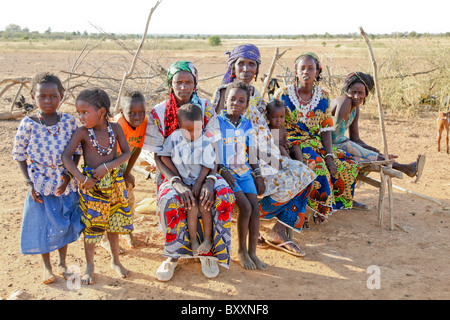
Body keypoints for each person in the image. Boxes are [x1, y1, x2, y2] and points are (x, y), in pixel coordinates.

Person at [213, 44, 316, 257]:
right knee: (287, 180)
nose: (247, 68)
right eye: (241, 63)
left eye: (252, 64)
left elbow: (267, 126)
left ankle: (278, 230)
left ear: (258, 68)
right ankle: (252, 217)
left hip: (268, 154)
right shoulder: (226, 93)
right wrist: (258, 164)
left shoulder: (255, 92)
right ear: (233, 65)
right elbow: (222, 134)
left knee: (306, 174)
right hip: (245, 160)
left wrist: (281, 150)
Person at [143, 60, 234, 281]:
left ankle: (209, 251)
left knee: (223, 196)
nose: (183, 87)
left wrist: (210, 181)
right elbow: (159, 155)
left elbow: (213, 147)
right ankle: (173, 254)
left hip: (206, 171)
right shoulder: (158, 112)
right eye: (178, 82)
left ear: (195, 84)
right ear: (170, 84)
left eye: (188, 82)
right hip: (172, 173)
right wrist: (176, 182)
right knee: (170, 200)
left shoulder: (206, 107)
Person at [12, 72, 84, 284]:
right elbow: (19, 155)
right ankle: (47, 267)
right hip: (40, 184)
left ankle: (62, 263)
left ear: (61, 95)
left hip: (65, 184)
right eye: (42, 96)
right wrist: (29, 183)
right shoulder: (28, 123)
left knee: (63, 223)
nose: (48, 100)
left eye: (53, 96)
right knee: (44, 225)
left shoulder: (69, 122)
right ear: (34, 97)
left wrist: (68, 176)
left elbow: (77, 150)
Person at [274, 52, 362, 222]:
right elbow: (273, 123)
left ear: (317, 72)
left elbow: (326, 129)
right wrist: (280, 147)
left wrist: (329, 155)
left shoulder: (323, 96)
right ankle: (313, 210)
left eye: (311, 68)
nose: (306, 72)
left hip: (315, 143)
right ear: (296, 71)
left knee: (349, 164)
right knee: (318, 167)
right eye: (302, 68)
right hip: (291, 144)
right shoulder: (282, 94)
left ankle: (325, 208)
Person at [62, 87, 133, 285]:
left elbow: (126, 154)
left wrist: (107, 166)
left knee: (114, 223)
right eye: (79, 113)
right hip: (92, 187)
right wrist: (81, 179)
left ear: (101, 111)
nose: (81, 117)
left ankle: (115, 261)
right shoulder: (82, 132)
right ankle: (89, 266)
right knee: (92, 227)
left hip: (114, 185)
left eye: (85, 112)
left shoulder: (116, 129)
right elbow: (66, 157)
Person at [330, 72, 425, 182]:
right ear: (347, 91)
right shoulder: (345, 101)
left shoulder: (355, 108)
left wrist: (374, 151)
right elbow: (336, 138)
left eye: (361, 93)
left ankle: (402, 167)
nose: (357, 96)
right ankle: (403, 168)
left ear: (366, 94)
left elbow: (355, 138)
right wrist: (370, 152)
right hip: (327, 143)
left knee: (371, 152)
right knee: (366, 153)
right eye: (353, 92)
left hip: (338, 142)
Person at [217, 82, 267, 270]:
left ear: (246, 105)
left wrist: (258, 175)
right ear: (225, 101)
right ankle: (240, 251)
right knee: (245, 207)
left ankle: (252, 252)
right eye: (232, 99)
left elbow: (251, 152)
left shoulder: (247, 124)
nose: (236, 103)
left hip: (244, 171)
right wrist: (222, 169)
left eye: (241, 101)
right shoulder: (217, 122)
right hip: (226, 172)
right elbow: (212, 151)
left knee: (255, 208)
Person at [158, 103, 216, 256]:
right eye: (188, 130)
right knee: (192, 208)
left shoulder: (204, 140)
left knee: (204, 207)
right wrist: (176, 176)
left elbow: (207, 164)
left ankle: (208, 239)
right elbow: (164, 156)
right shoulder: (174, 138)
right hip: (183, 183)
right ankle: (193, 240)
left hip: (200, 182)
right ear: (179, 126)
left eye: (197, 129)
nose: (193, 134)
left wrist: (199, 183)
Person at [107, 90, 148, 250]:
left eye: (141, 112)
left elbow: (137, 148)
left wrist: (127, 173)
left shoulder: (144, 122)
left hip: (122, 165)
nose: (137, 117)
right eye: (132, 113)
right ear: (122, 112)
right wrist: (118, 177)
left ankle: (126, 231)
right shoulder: (118, 125)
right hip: (108, 165)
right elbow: (112, 155)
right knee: (111, 202)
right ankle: (106, 237)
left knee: (128, 198)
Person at [266, 99, 304, 163]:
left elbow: (285, 141)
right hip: (274, 153)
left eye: (281, 117)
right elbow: (268, 144)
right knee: (280, 147)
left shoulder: (283, 129)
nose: (278, 120)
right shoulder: (268, 129)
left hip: (284, 152)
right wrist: (280, 143)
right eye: (274, 117)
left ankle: (301, 163)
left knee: (296, 148)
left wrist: (286, 146)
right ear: (268, 117)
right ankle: (290, 163)